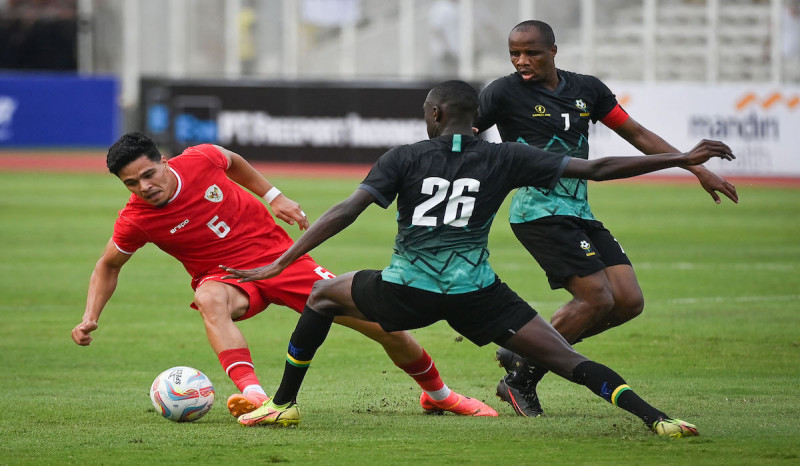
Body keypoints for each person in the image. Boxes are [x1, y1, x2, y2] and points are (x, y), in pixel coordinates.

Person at [222, 80, 734, 436]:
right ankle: (658, 418)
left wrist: (280, 261)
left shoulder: (403, 157)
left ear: (436, 115)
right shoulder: (507, 156)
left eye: (427, 111)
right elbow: (598, 167)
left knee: (322, 295)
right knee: (565, 358)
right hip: (479, 295)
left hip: (407, 290)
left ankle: (283, 405)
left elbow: (345, 211)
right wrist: (681, 158)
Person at [70, 132, 497, 420]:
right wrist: (91, 315)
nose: (144, 187)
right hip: (228, 277)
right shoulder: (136, 220)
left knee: (384, 325)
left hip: (284, 259)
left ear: (164, 162)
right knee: (209, 299)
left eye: (148, 174)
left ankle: (438, 395)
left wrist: (274, 196)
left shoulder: (201, 159)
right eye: (132, 184)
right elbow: (108, 265)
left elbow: (233, 161)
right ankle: (253, 395)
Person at [473, 20, 740, 417]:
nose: (521, 62)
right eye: (514, 54)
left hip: (579, 209)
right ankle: (521, 379)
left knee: (628, 302)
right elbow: (463, 134)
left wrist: (694, 168)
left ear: (553, 51)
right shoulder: (502, 91)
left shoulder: (587, 90)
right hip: (537, 211)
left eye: (531, 53)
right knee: (596, 298)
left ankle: (522, 351)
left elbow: (635, 132)